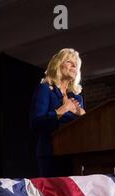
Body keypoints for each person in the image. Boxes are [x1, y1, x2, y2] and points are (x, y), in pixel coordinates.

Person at [30, 48, 86, 177]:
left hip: (75, 155)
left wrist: (83, 116)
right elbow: (36, 124)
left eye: (76, 64)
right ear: (58, 65)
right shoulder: (45, 89)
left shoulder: (77, 98)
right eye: (69, 62)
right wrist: (62, 110)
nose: (74, 66)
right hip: (50, 154)